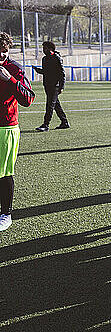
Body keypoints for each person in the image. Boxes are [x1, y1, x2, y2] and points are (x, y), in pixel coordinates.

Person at [0, 32, 35, 231]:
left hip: (6, 128)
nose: (2, 56)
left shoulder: (14, 69)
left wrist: (11, 80)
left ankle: (6, 214)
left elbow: (28, 99)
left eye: (5, 51)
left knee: (3, 173)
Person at [33, 41, 69, 132]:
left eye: (45, 48)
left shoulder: (57, 58)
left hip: (55, 86)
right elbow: (46, 71)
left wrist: (61, 86)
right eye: (43, 48)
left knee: (50, 105)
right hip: (47, 85)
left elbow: (62, 73)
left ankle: (46, 124)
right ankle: (64, 122)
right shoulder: (44, 59)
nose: (44, 50)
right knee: (56, 105)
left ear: (51, 48)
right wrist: (38, 70)